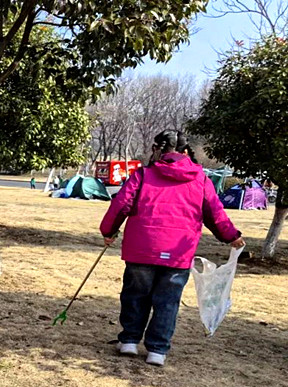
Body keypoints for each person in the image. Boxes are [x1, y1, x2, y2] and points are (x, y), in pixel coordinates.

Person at [100, 130, 245, 367]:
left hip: (142, 248)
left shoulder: (144, 174)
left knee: (135, 295)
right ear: (186, 151)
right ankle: (157, 350)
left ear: (158, 149)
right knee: (168, 301)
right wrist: (232, 237)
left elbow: (121, 204)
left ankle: (129, 340)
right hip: (178, 252)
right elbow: (215, 214)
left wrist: (109, 231)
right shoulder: (200, 179)